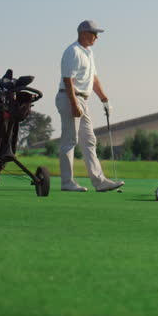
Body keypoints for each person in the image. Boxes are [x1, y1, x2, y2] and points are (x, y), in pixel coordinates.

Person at [56, 20, 124, 193]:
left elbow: (93, 78)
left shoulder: (88, 52)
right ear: (84, 33)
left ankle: (99, 181)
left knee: (89, 140)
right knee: (70, 140)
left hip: (82, 99)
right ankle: (67, 182)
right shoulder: (73, 51)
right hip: (70, 97)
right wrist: (73, 104)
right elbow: (68, 80)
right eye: (94, 34)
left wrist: (104, 99)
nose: (97, 37)